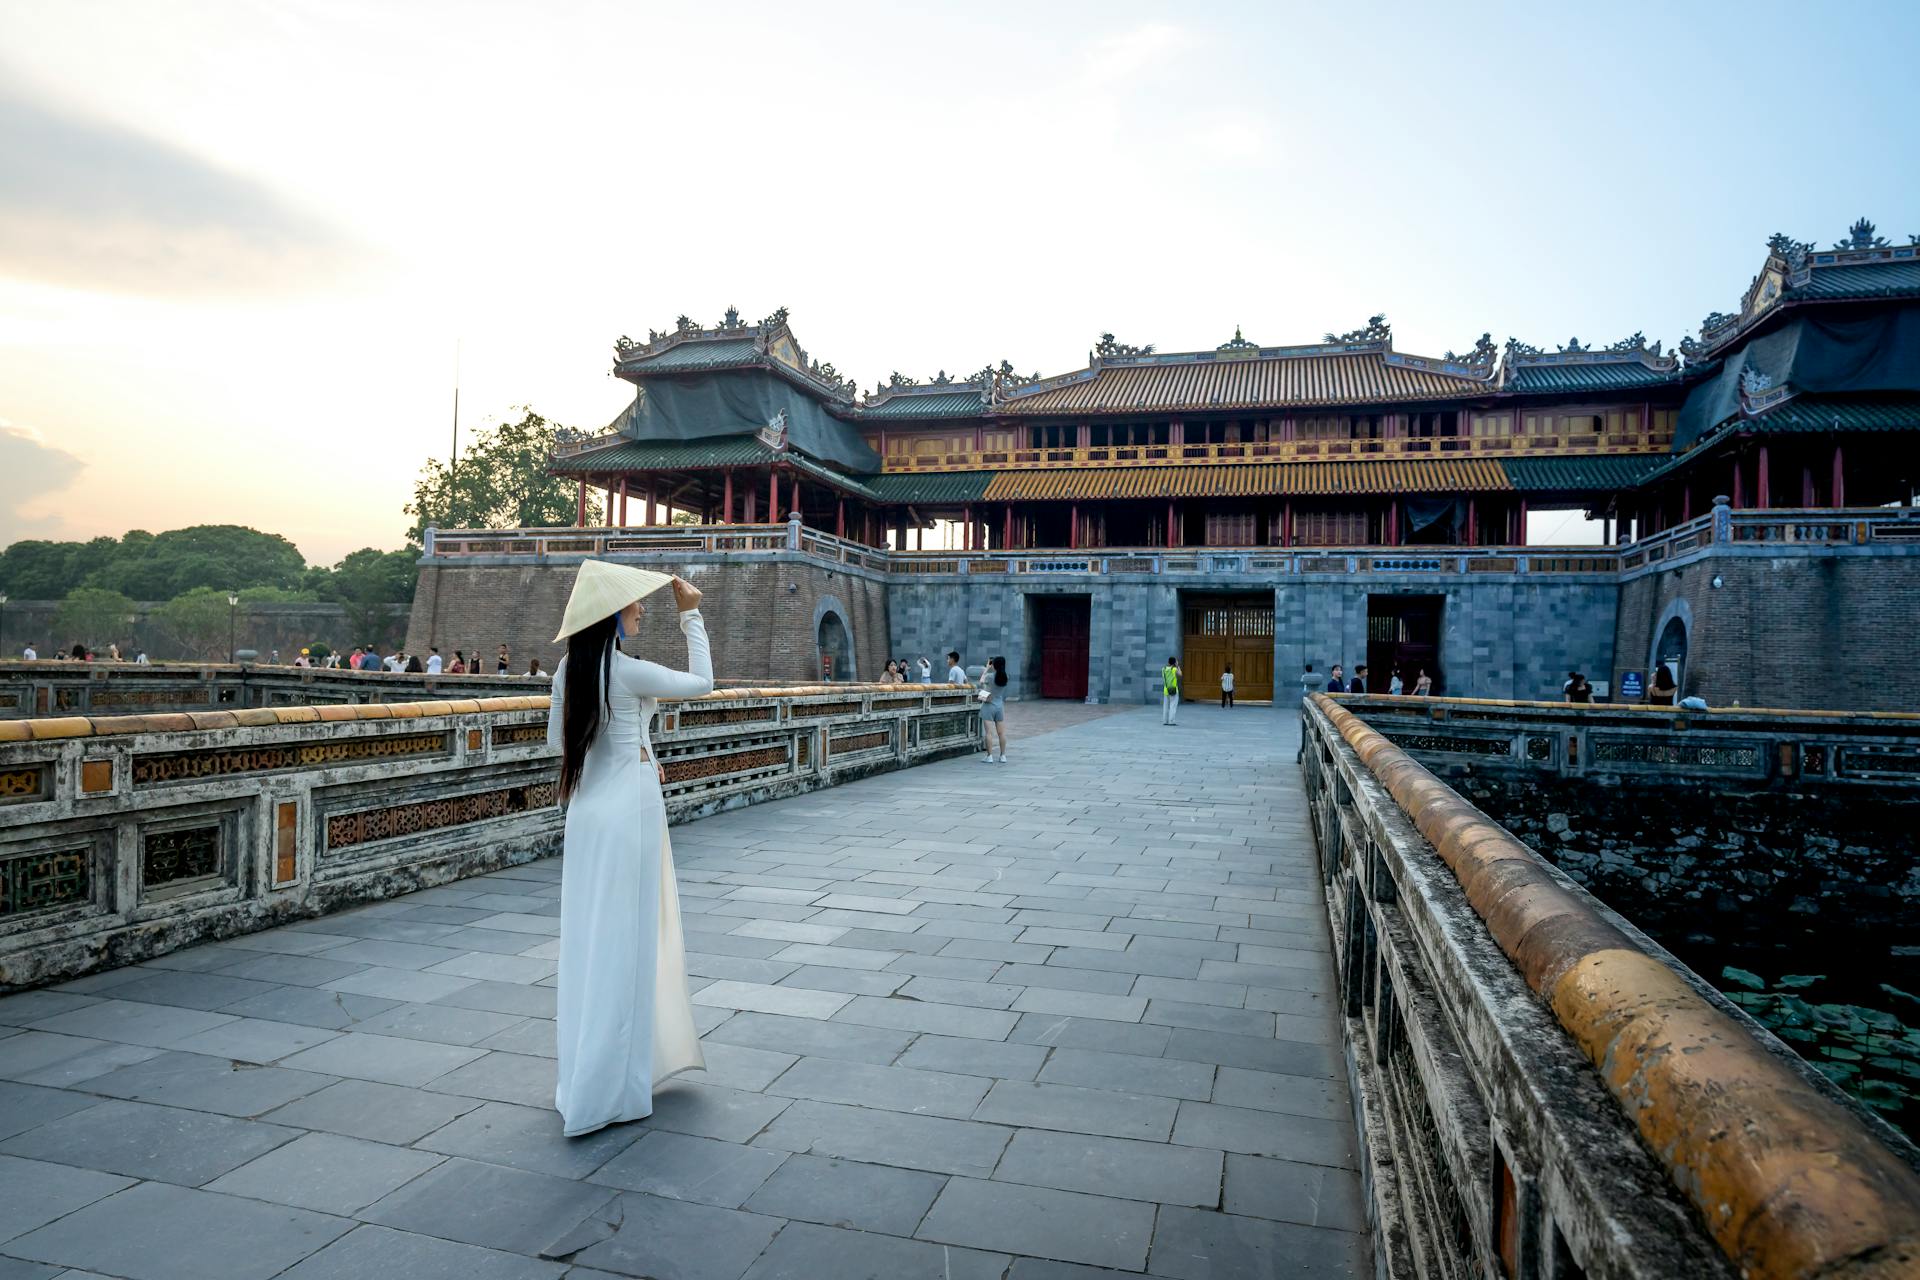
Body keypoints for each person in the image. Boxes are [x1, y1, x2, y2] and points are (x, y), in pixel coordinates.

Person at [547, 560, 711, 1136]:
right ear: (613, 613)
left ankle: (585, 1082)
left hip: (589, 814)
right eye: (635, 603)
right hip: (632, 812)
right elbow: (703, 684)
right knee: (631, 942)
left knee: (592, 942)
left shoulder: (571, 668)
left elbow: (558, 740)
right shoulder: (628, 670)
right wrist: (691, 616)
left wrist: (634, 745)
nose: (641, 609)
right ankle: (617, 1088)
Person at [977, 655, 1011, 763]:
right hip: (999, 705)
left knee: (989, 733)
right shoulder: (1006, 677)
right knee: (1001, 733)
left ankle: (989, 756)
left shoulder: (990, 676)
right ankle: (1003, 756)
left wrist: (987, 668)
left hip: (988, 705)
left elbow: (981, 681)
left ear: (994, 665)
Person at [1161, 655, 1181, 725]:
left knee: (1165, 706)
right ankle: (1171, 721)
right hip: (1174, 690)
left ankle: (1165, 721)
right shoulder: (1174, 669)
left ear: (1168, 662)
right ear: (1174, 662)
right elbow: (1180, 674)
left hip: (1166, 690)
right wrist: (1178, 666)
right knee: (1173, 705)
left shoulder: (1163, 669)